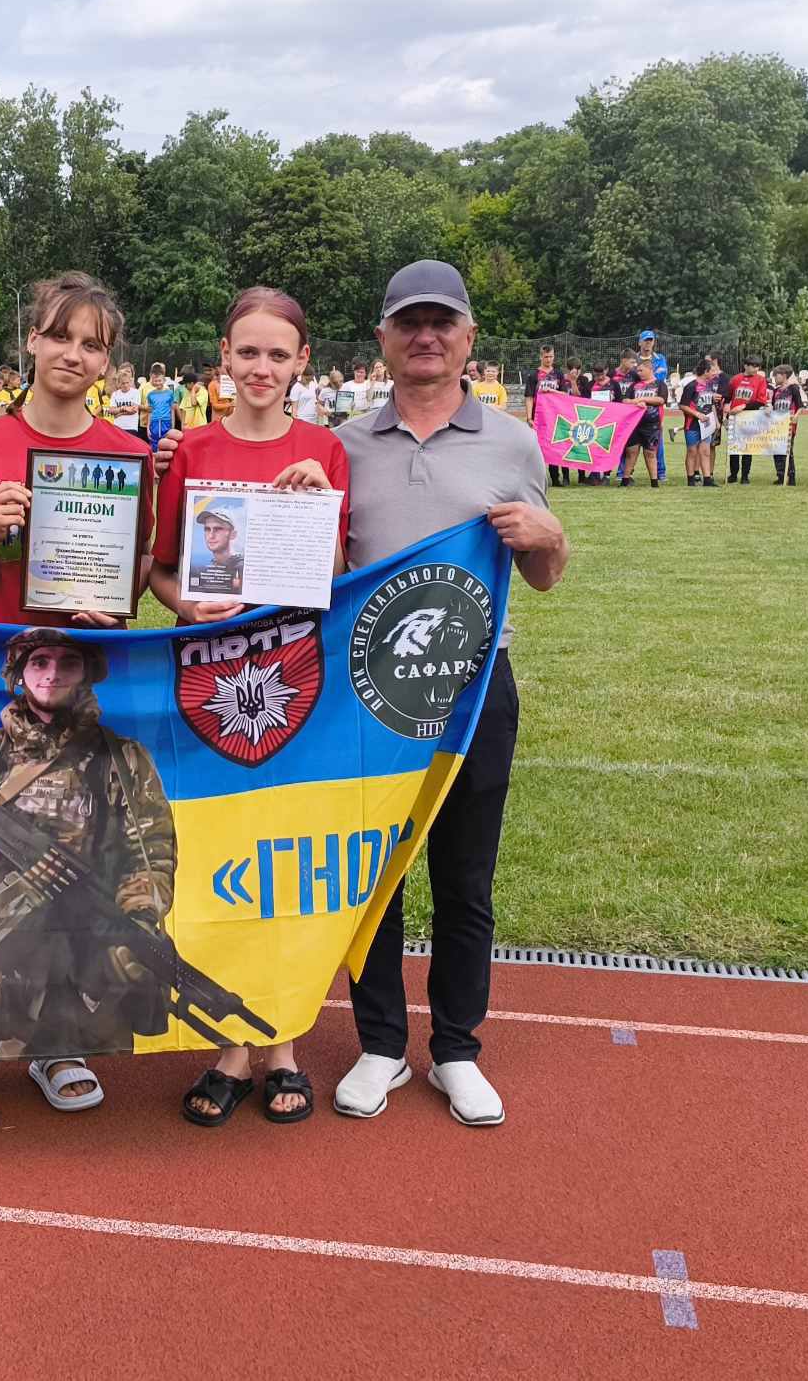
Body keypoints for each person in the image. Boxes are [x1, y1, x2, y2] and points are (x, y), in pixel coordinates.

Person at [333, 259, 567, 1129]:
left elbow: (540, 575)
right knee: (373, 873)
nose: (425, 336)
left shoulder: (511, 442)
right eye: (408, 322)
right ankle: (381, 1043)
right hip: (367, 690)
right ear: (383, 338)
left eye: (441, 322)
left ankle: (457, 1048)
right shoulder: (342, 444)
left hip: (475, 686)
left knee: (464, 875)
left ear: (469, 337)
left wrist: (550, 536)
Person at [150, 285, 349, 1126]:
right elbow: (160, 568)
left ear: (301, 362)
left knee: (284, 864)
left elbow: (336, 578)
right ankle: (232, 1043)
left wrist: (317, 504)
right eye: (247, 351)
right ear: (223, 357)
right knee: (217, 858)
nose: (260, 367)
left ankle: (283, 1045)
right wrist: (184, 603)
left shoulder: (324, 448)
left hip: (295, 682)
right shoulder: (189, 448)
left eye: (277, 353)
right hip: (207, 681)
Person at [0, 629, 177, 1127]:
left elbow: (151, 848)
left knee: (92, 971)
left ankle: (57, 1051)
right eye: (39, 662)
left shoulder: (122, 759)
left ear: (88, 672)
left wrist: (138, 916)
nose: (52, 674)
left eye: (68, 662)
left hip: (80, 916)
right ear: (19, 674)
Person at [0, 271, 153, 630]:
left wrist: (119, 598)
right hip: (2, 654)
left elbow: (143, 559)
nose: (72, 355)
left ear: (104, 362)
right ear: (33, 340)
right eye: (60, 336)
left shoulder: (132, 455)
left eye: (90, 345)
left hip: (95, 653)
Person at [524, 343, 569, 486]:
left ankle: (556, 478)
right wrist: (529, 417)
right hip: (539, 416)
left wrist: (552, 391)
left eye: (551, 356)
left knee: (555, 446)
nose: (549, 359)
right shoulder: (533, 375)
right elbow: (529, 397)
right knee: (538, 448)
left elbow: (565, 394)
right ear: (540, 357)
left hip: (556, 416)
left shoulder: (558, 374)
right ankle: (538, 479)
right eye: (546, 357)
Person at [618, 357, 665, 487]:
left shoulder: (659, 384)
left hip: (651, 424)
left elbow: (661, 400)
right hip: (634, 423)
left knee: (650, 452)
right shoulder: (634, 385)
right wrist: (635, 402)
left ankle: (654, 482)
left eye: (641, 370)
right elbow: (625, 400)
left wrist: (643, 399)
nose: (638, 373)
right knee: (631, 451)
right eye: (637, 371)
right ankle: (625, 480)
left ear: (650, 369)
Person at [724, 359, 769, 485]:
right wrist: (727, 406)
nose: (756, 369)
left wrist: (743, 406)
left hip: (750, 417)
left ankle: (745, 476)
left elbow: (761, 401)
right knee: (734, 447)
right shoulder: (735, 379)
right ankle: (733, 474)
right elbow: (728, 395)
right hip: (734, 417)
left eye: (757, 366)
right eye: (753, 366)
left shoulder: (760, 380)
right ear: (745, 366)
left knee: (747, 448)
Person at [678, 361, 719, 487]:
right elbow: (683, 405)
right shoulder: (691, 386)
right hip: (692, 425)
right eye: (712, 371)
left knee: (705, 451)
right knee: (692, 451)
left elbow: (711, 404)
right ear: (706, 371)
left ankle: (707, 479)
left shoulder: (709, 385)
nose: (715, 373)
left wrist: (716, 420)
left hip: (706, 424)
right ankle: (690, 479)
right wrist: (697, 414)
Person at [636, 330, 670, 481]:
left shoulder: (660, 358)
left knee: (657, 438)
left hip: (655, 403)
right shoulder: (634, 358)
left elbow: (660, 377)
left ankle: (660, 472)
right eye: (646, 340)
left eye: (651, 340)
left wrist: (645, 376)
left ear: (654, 342)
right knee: (631, 439)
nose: (648, 343)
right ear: (640, 342)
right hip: (637, 402)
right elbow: (633, 377)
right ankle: (624, 473)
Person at [769, 364, 802, 485]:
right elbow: (773, 406)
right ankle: (781, 475)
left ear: (783, 376)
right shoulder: (776, 391)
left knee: (788, 451)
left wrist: (796, 416)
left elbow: (800, 406)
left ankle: (791, 477)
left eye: (776, 375)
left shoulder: (793, 388)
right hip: (777, 424)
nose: (774, 378)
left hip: (788, 425)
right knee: (777, 450)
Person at [141, 363, 177, 451]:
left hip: (166, 421)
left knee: (166, 444)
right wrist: (148, 428)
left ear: (164, 380)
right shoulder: (150, 395)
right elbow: (150, 411)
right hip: (154, 422)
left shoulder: (169, 393)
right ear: (152, 381)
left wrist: (173, 425)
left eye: (159, 381)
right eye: (155, 381)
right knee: (154, 444)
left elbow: (172, 410)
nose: (158, 383)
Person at [108, 362, 143, 441]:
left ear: (130, 381)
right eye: (123, 383)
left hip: (131, 427)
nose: (126, 385)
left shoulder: (135, 392)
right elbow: (111, 410)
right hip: (118, 427)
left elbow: (134, 410)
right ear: (119, 383)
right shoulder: (115, 394)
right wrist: (123, 408)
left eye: (127, 383)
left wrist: (119, 413)